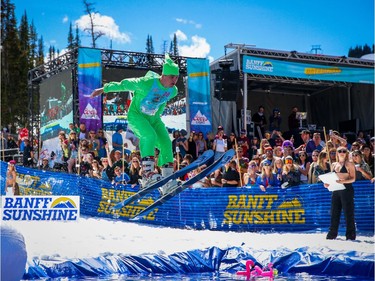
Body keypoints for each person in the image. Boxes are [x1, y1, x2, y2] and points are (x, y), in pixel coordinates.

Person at [91, 54, 179, 189]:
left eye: (177, 77)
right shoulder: (146, 83)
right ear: (164, 75)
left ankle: (168, 180)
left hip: (153, 118)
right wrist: (104, 89)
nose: (175, 80)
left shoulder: (173, 91)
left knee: (166, 143)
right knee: (149, 135)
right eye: (172, 77)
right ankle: (147, 174)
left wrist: (156, 117)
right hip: (137, 116)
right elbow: (124, 84)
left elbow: (162, 102)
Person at [324, 146, 356, 240]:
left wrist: (343, 182)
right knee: (334, 212)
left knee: (348, 212)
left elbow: (353, 178)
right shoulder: (334, 164)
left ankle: (350, 235)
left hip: (346, 189)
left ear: (346, 153)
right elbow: (332, 177)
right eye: (339, 151)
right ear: (337, 153)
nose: (342, 152)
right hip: (336, 189)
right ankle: (332, 234)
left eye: (344, 151)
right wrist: (327, 184)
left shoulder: (349, 164)